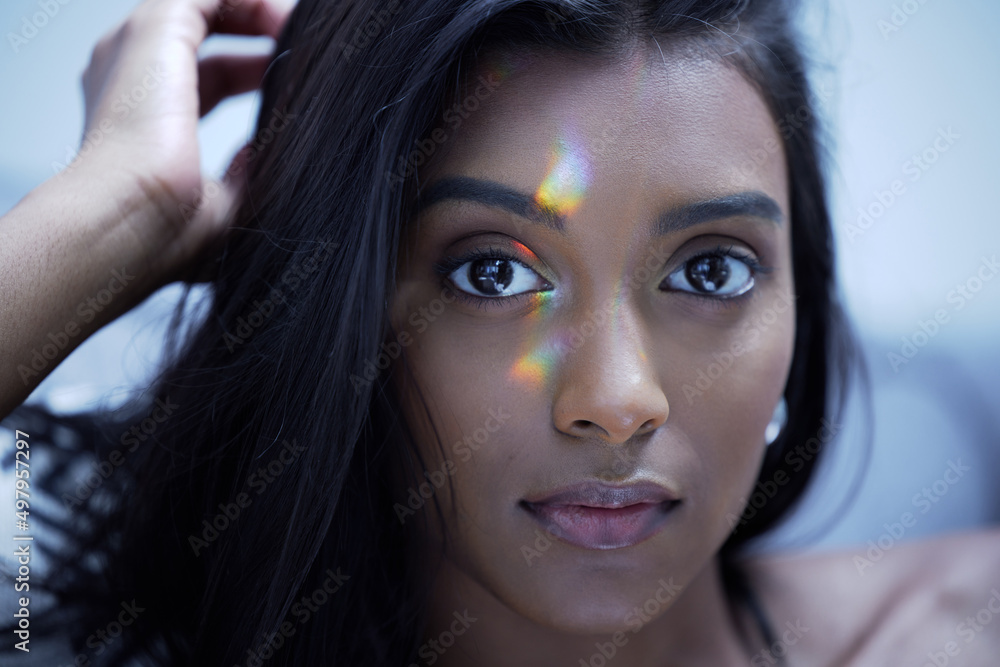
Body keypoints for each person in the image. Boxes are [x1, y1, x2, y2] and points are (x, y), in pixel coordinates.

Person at [1, 0, 997, 665]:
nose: (617, 402)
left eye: (709, 269)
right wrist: (118, 216)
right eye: (493, 272)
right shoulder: (71, 615)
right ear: (346, 314)